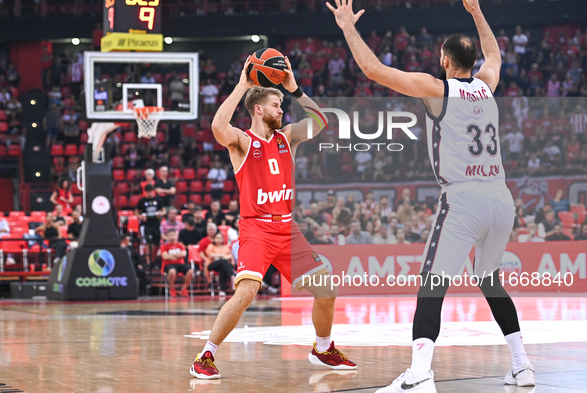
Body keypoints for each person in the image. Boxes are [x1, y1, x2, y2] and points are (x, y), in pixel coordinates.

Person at [329, 0, 534, 391]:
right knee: (489, 280)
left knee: (432, 284)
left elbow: (374, 70)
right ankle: (522, 366)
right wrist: (476, 12)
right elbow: (495, 54)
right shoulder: (487, 84)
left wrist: (346, 27)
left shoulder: (437, 89)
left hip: (463, 199)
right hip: (500, 198)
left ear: (443, 60)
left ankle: (420, 375)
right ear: (472, 61)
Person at [190, 55, 356, 380]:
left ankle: (323, 349)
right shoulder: (242, 141)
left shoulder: (288, 137)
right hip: (256, 229)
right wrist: (242, 85)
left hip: (287, 231)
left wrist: (294, 88)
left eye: (282, 104)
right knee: (246, 292)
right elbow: (217, 128)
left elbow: (322, 121)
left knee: (327, 290)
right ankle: (206, 354)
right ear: (258, 109)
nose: (282, 109)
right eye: (276, 104)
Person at [135, 184, 166, 268]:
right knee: (147, 243)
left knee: (157, 243)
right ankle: (148, 263)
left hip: (156, 223)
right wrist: (140, 216)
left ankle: (153, 260)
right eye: (148, 192)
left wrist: (160, 214)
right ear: (145, 192)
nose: (150, 193)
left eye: (151, 191)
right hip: (146, 225)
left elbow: (163, 210)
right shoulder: (142, 201)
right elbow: (136, 211)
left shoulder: (158, 200)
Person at [160, 229, 193, 298]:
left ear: (176, 236)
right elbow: (165, 257)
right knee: (172, 271)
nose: (172, 237)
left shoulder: (180, 245)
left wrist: (171, 256)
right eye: (170, 235)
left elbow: (183, 254)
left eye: (174, 235)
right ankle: (172, 289)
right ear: (167, 237)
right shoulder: (164, 246)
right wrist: (177, 255)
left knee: (191, 271)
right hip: (168, 265)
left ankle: (183, 289)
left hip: (180, 264)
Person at [203, 232, 236, 297]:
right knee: (223, 261)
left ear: (223, 239)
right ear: (214, 239)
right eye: (217, 238)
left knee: (222, 268)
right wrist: (222, 256)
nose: (219, 239)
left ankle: (222, 290)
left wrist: (219, 256)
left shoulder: (226, 247)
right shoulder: (211, 246)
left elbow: (230, 256)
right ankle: (232, 276)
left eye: (220, 238)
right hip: (212, 264)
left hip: (222, 266)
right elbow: (211, 255)